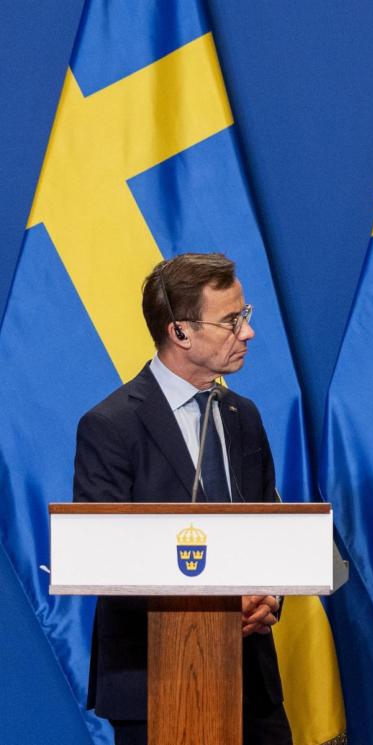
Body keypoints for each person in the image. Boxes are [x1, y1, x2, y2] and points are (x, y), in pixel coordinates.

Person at [73, 253, 291, 745]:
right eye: (232, 321)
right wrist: (213, 603)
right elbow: (105, 561)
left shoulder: (243, 415)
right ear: (180, 333)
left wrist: (268, 596)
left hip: (252, 689)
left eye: (246, 315)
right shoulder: (110, 427)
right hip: (157, 684)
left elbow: (272, 529)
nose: (248, 333)